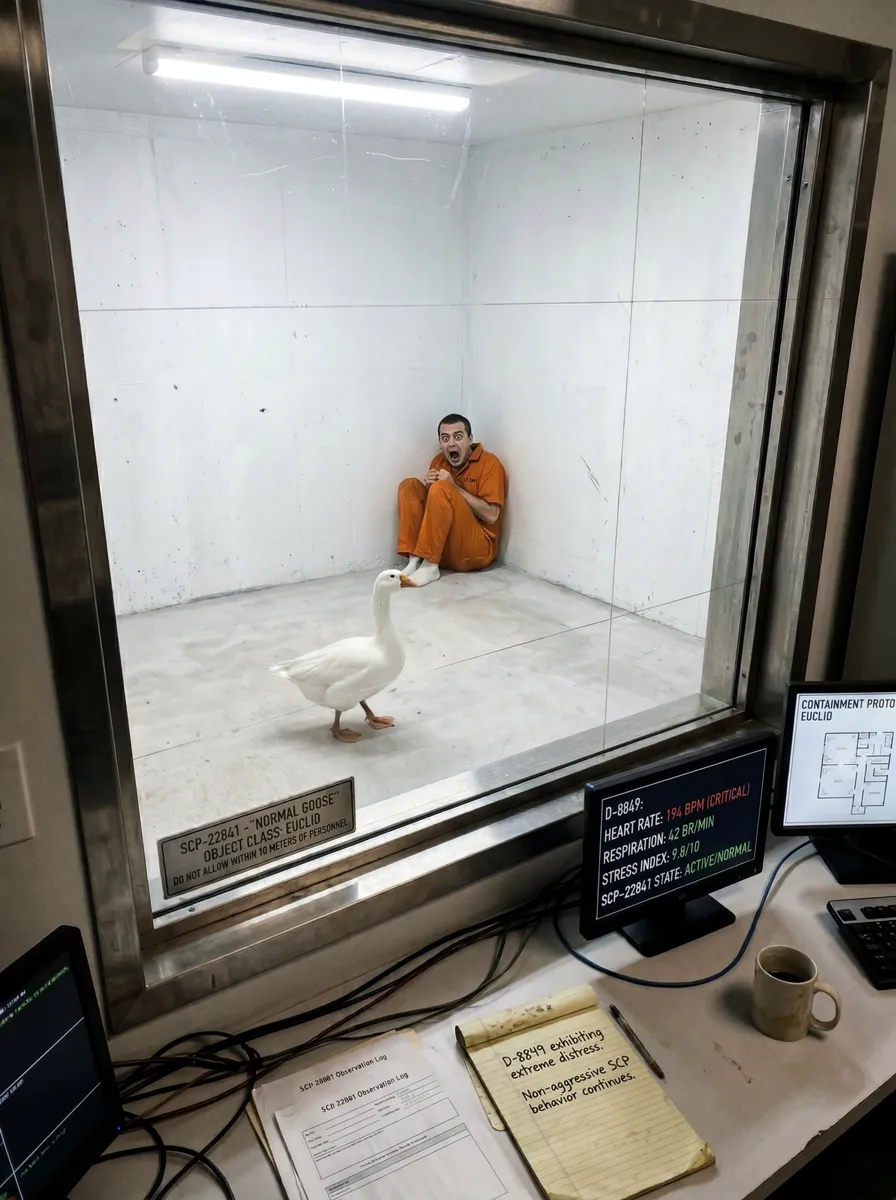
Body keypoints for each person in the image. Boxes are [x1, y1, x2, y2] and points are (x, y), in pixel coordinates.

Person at [397, 414, 507, 587]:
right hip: (444, 549)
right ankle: (415, 560)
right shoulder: (439, 461)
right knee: (408, 486)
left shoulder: (490, 463)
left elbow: (492, 515)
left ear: (470, 439)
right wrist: (429, 488)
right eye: (445, 438)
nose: (451, 444)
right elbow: (435, 511)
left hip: (476, 550)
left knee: (442, 487)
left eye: (458, 437)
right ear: (440, 443)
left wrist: (452, 487)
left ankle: (430, 567)